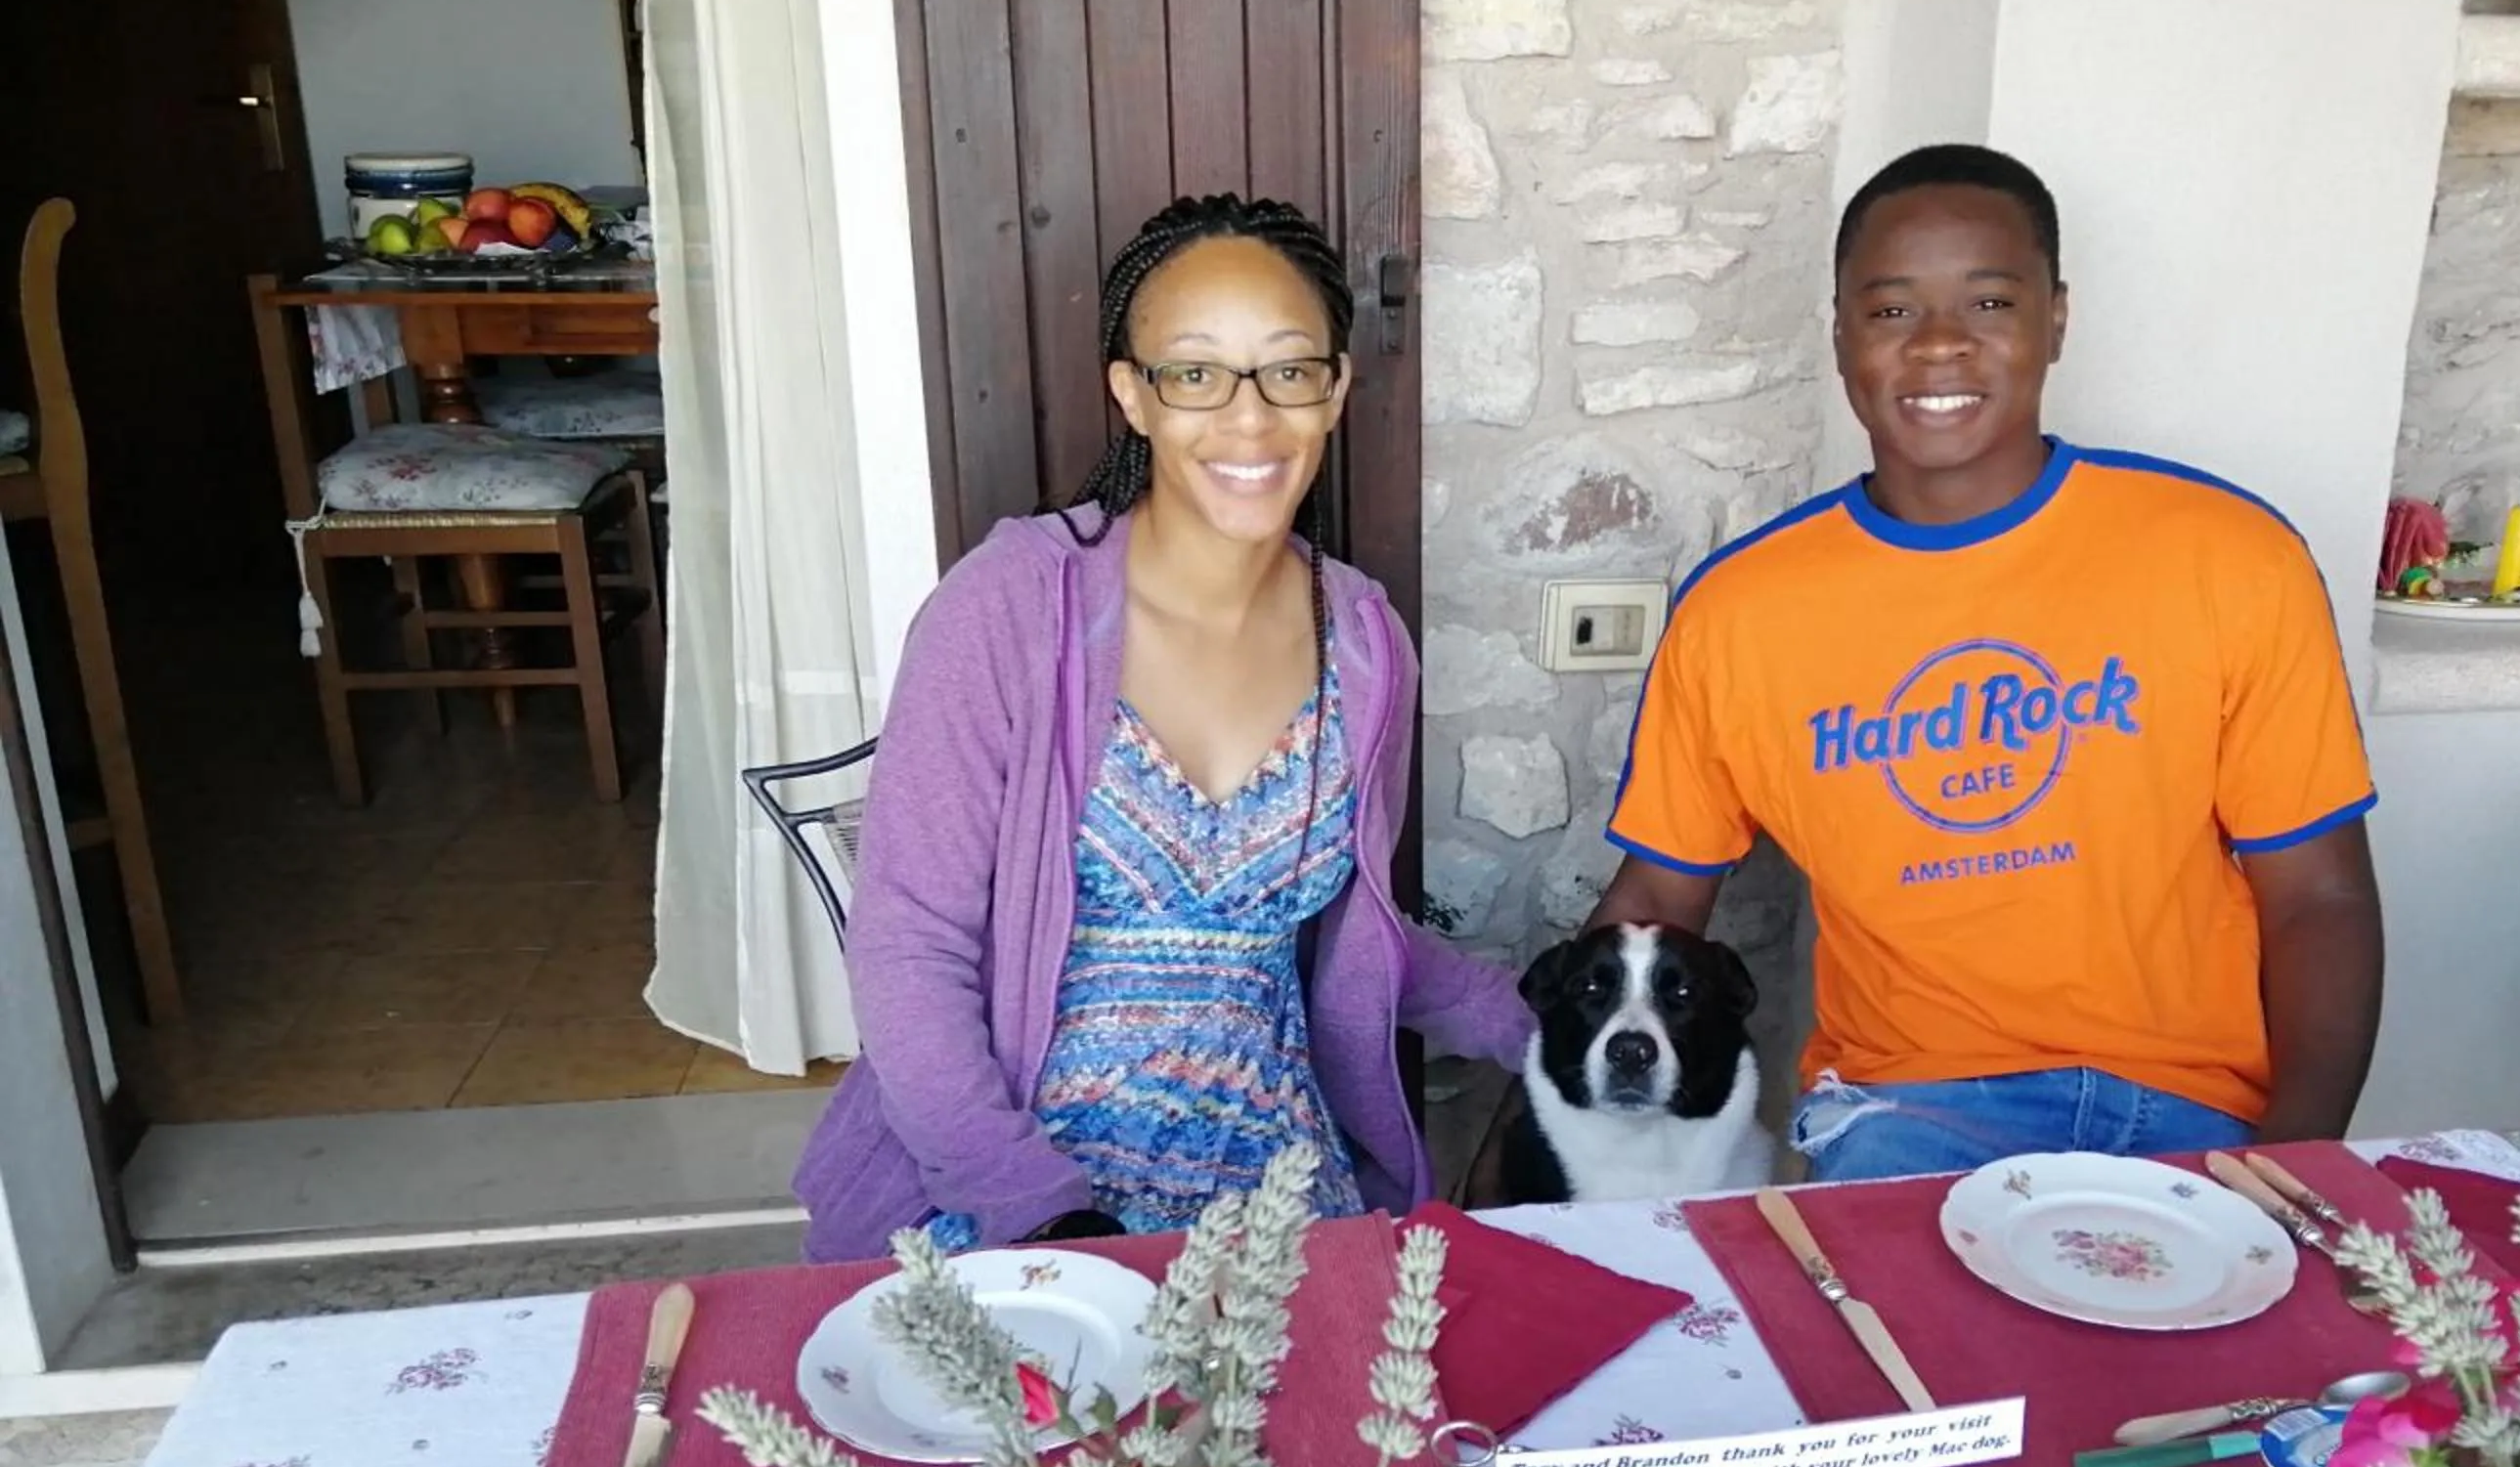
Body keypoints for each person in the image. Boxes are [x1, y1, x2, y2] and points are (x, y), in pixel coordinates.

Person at [1591, 144, 2384, 1182]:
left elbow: (2317, 895)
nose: (1938, 345)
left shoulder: (2228, 557)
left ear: (2056, 319)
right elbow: (1659, 890)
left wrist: (2297, 1159)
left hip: (2198, 1108)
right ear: (1841, 338)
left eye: (1991, 303)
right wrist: (1529, 1144)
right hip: (1908, 1110)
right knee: (1897, 1295)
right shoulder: (1740, 612)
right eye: (1891, 310)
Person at [797, 194, 1529, 1255]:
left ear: (1334, 390)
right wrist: (1036, 1209)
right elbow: (909, 945)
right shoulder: (1009, 607)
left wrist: (1544, 1024)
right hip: (1011, 1196)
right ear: (1132, 396)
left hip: (1271, 1191)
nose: (1248, 417)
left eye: (1287, 370)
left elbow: (1356, 934)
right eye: (1194, 374)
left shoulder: (1366, 643)